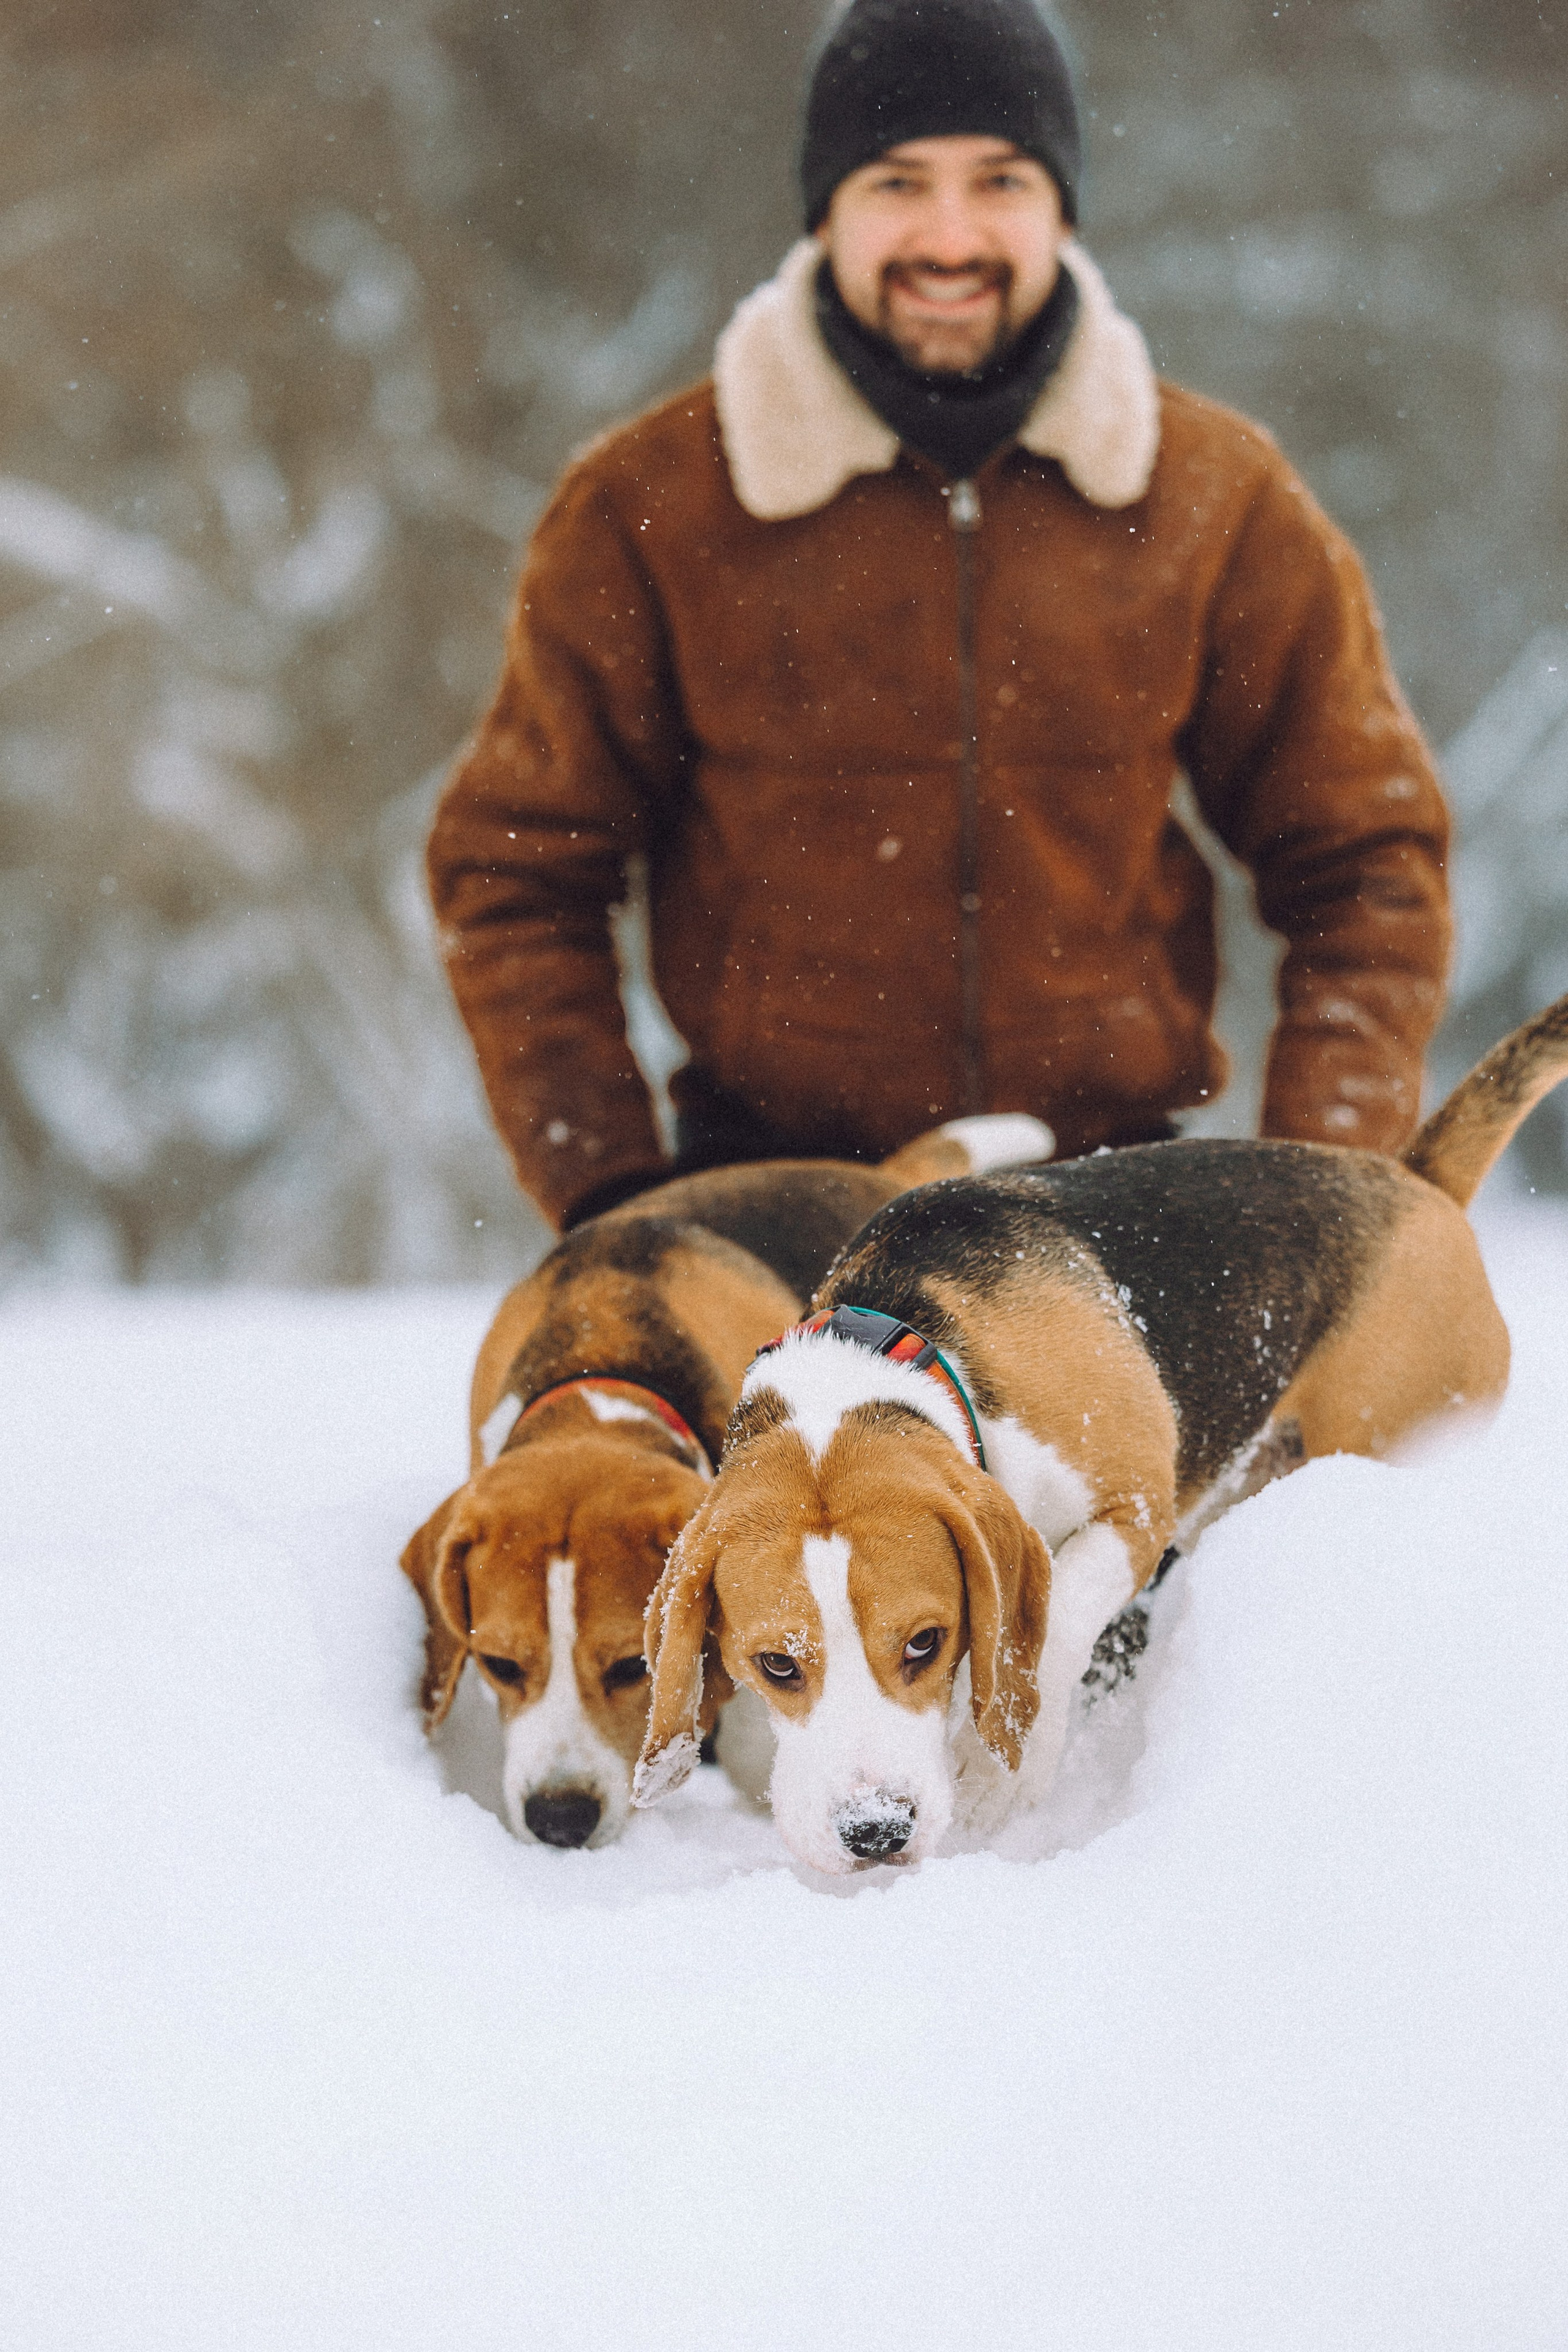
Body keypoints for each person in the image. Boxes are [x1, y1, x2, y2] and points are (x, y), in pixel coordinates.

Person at [428, 0, 1450, 1232]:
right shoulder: (649, 505)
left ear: (1061, 206)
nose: (949, 233)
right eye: (897, 181)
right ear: (826, 210)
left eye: (1000, 180)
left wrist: (1314, 1193)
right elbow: (518, 873)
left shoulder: (1211, 497)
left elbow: (1365, 857)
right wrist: (610, 1193)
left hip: (1112, 1209)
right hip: (769, 1215)